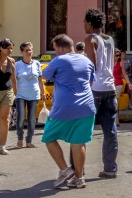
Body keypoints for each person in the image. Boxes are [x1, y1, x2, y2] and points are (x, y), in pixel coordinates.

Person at [41, 34, 96, 189]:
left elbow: (45, 75)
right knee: (79, 143)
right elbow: (90, 81)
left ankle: (65, 170)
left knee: (48, 137)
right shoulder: (87, 61)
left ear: (60, 48)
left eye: (55, 49)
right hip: (87, 106)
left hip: (64, 107)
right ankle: (79, 179)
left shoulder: (59, 60)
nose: (55, 52)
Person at [83, 8, 118, 179]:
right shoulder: (110, 39)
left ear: (89, 23)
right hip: (110, 89)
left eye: (84, 22)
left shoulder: (90, 39)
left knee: (81, 130)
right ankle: (110, 168)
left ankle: (77, 171)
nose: (83, 25)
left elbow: (92, 65)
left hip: (94, 89)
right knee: (110, 131)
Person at [15, 42, 45, 149]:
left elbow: (40, 80)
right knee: (21, 117)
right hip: (20, 95)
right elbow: (13, 80)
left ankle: (29, 141)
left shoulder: (37, 63)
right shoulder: (17, 65)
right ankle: (20, 138)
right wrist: (14, 92)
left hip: (34, 94)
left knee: (32, 119)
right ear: (22, 52)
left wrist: (43, 92)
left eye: (30, 50)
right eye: (27, 50)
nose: (29, 52)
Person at [113, 49, 132, 127]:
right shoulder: (108, 63)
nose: (118, 57)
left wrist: (129, 83)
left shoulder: (120, 63)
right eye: (116, 55)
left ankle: (116, 120)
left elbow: (125, 74)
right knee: (112, 102)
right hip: (109, 85)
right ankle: (115, 120)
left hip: (118, 84)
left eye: (119, 55)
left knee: (114, 101)